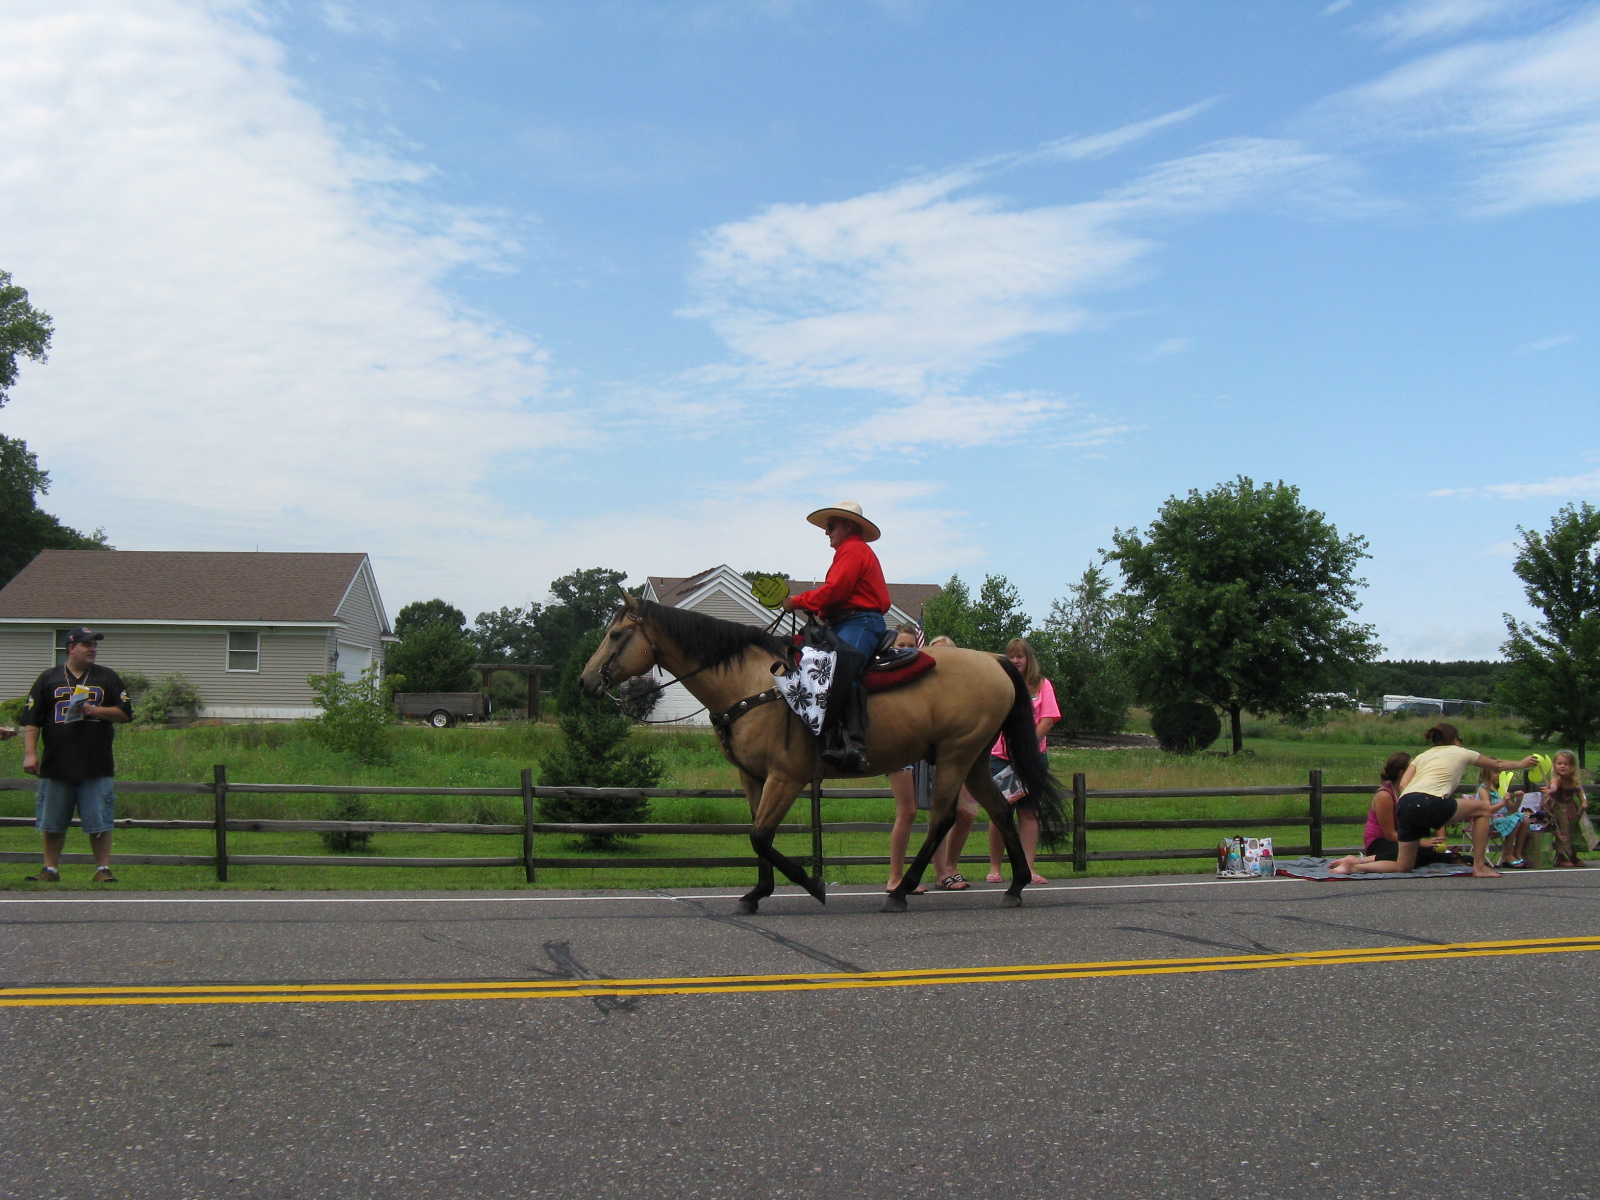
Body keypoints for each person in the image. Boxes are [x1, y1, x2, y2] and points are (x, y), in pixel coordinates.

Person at [20, 627, 133, 883]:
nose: (93, 649)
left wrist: (96, 710)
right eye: (87, 645)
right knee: (52, 821)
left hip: (96, 761)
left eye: (95, 644)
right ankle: (50, 870)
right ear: (72, 648)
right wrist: (30, 754)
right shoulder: (48, 678)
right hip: (56, 761)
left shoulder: (107, 677)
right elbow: (32, 720)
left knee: (99, 820)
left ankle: (102, 869)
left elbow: (125, 713)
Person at [1383, 724, 1538, 881]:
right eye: (1460, 739)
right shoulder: (1461, 752)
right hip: (1428, 800)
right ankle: (1479, 866)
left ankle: (1357, 865)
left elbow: (1403, 785)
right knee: (1483, 809)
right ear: (1455, 740)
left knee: (1403, 866)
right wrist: (1521, 764)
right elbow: (1496, 764)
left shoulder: (1422, 756)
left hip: (1405, 804)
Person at [985, 638, 1060, 886]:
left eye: (1021, 656)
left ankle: (1028, 868)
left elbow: (1048, 718)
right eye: (1012, 656)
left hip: (1032, 758)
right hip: (1001, 758)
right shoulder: (1000, 683)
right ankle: (995, 868)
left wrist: (1026, 748)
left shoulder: (1042, 685)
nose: (1016, 660)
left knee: (1029, 813)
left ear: (1029, 659)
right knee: (1000, 813)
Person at [783, 500, 891, 660]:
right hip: (852, 623)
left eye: (831, 526)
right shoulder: (855, 549)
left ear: (848, 526)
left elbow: (833, 591)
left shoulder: (852, 549)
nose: (826, 532)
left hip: (859, 623)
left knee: (837, 673)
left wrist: (796, 602)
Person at [1329, 752, 1458, 874]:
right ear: (1402, 773)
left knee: (1423, 853)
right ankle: (1356, 862)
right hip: (1379, 841)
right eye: (1412, 768)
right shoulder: (1385, 796)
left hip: (1401, 840)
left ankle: (1448, 857)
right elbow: (1389, 834)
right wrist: (1420, 843)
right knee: (1411, 856)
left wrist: (1440, 842)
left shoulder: (1411, 792)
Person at [923, 635, 980, 890]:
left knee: (967, 813)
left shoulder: (967, 688)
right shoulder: (924, 689)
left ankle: (952, 863)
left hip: (963, 756)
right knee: (940, 814)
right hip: (934, 756)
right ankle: (942, 872)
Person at [884, 626, 926, 894]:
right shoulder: (885, 674)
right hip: (893, 748)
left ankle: (899, 875)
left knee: (911, 812)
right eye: (901, 644)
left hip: (914, 747)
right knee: (907, 810)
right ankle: (895, 877)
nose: (906, 649)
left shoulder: (917, 677)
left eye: (911, 645)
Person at [1545, 749, 1590, 868]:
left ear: (1572, 766)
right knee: (1562, 833)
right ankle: (1561, 857)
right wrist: (1551, 790)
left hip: (1571, 809)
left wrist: (1584, 801)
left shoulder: (1573, 780)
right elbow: (1554, 786)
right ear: (1555, 765)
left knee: (1574, 832)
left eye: (1566, 764)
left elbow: (1580, 791)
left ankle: (1573, 856)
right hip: (1559, 809)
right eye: (1559, 763)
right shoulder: (1556, 778)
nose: (1562, 766)